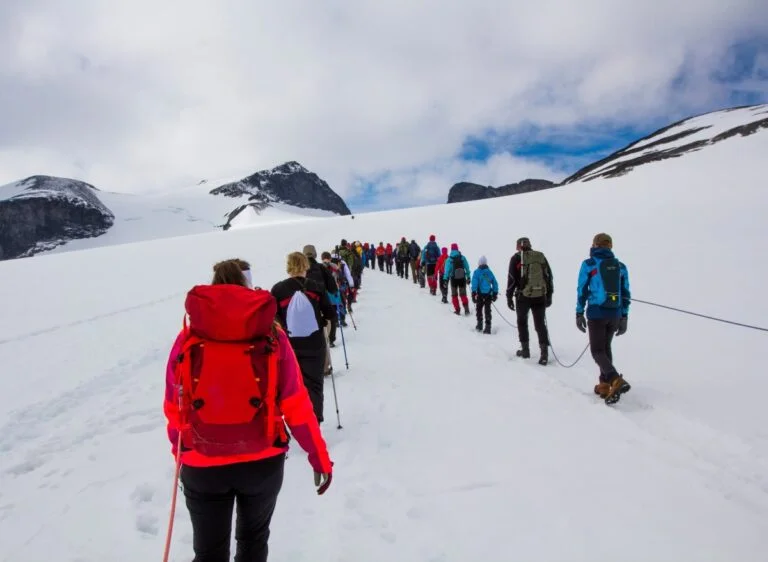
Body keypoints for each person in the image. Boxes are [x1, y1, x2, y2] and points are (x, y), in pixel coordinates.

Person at [163, 259, 333, 562]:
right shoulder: (272, 334)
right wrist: (318, 456)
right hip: (262, 460)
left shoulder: (188, 338)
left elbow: (174, 404)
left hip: (202, 461)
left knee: (208, 553)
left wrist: (181, 455)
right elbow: (296, 404)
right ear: (246, 286)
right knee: (253, 543)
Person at [271, 252, 336, 423]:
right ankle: (315, 421)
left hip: (290, 346)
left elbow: (273, 317)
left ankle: (296, 421)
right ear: (306, 265)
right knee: (315, 384)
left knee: (292, 385)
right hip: (315, 343)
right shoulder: (316, 286)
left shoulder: (278, 289)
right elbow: (330, 312)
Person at [576, 233, 631, 404]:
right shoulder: (620, 266)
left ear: (595, 245)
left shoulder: (589, 264)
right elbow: (626, 292)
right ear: (610, 246)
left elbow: (582, 289)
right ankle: (605, 385)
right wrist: (624, 316)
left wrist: (579, 312)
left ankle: (615, 379)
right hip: (615, 313)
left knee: (597, 351)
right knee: (606, 348)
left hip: (596, 312)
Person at [506, 237, 553, 366]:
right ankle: (544, 353)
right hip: (540, 295)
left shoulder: (516, 258)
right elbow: (549, 276)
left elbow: (511, 279)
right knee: (540, 324)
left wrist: (509, 296)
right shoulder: (540, 256)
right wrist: (549, 295)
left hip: (523, 296)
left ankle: (525, 350)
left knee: (522, 322)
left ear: (518, 246)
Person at [304, 245, 339, 376]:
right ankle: (325, 367)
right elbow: (333, 289)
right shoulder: (321, 268)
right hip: (321, 308)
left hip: (303, 310)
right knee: (323, 339)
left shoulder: (298, 270)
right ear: (315, 254)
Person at [471, 256, 499, 334]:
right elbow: (495, 283)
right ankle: (488, 327)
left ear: (479, 263)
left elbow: (474, 283)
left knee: (479, 309)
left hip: (480, 295)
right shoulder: (489, 272)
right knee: (487, 310)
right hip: (488, 295)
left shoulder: (477, 272)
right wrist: (495, 293)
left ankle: (479, 325)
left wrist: (473, 293)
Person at [443, 243, 471, 315]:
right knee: (463, 294)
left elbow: (446, 271)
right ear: (457, 248)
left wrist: (445, 279)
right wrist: (468, 277)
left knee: (454, 295)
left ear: (451, 249)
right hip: (462, 278)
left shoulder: (449, 259)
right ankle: (466, 309)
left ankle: (457, 310)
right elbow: (467, 268)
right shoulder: (462, 258)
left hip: (453, 279)